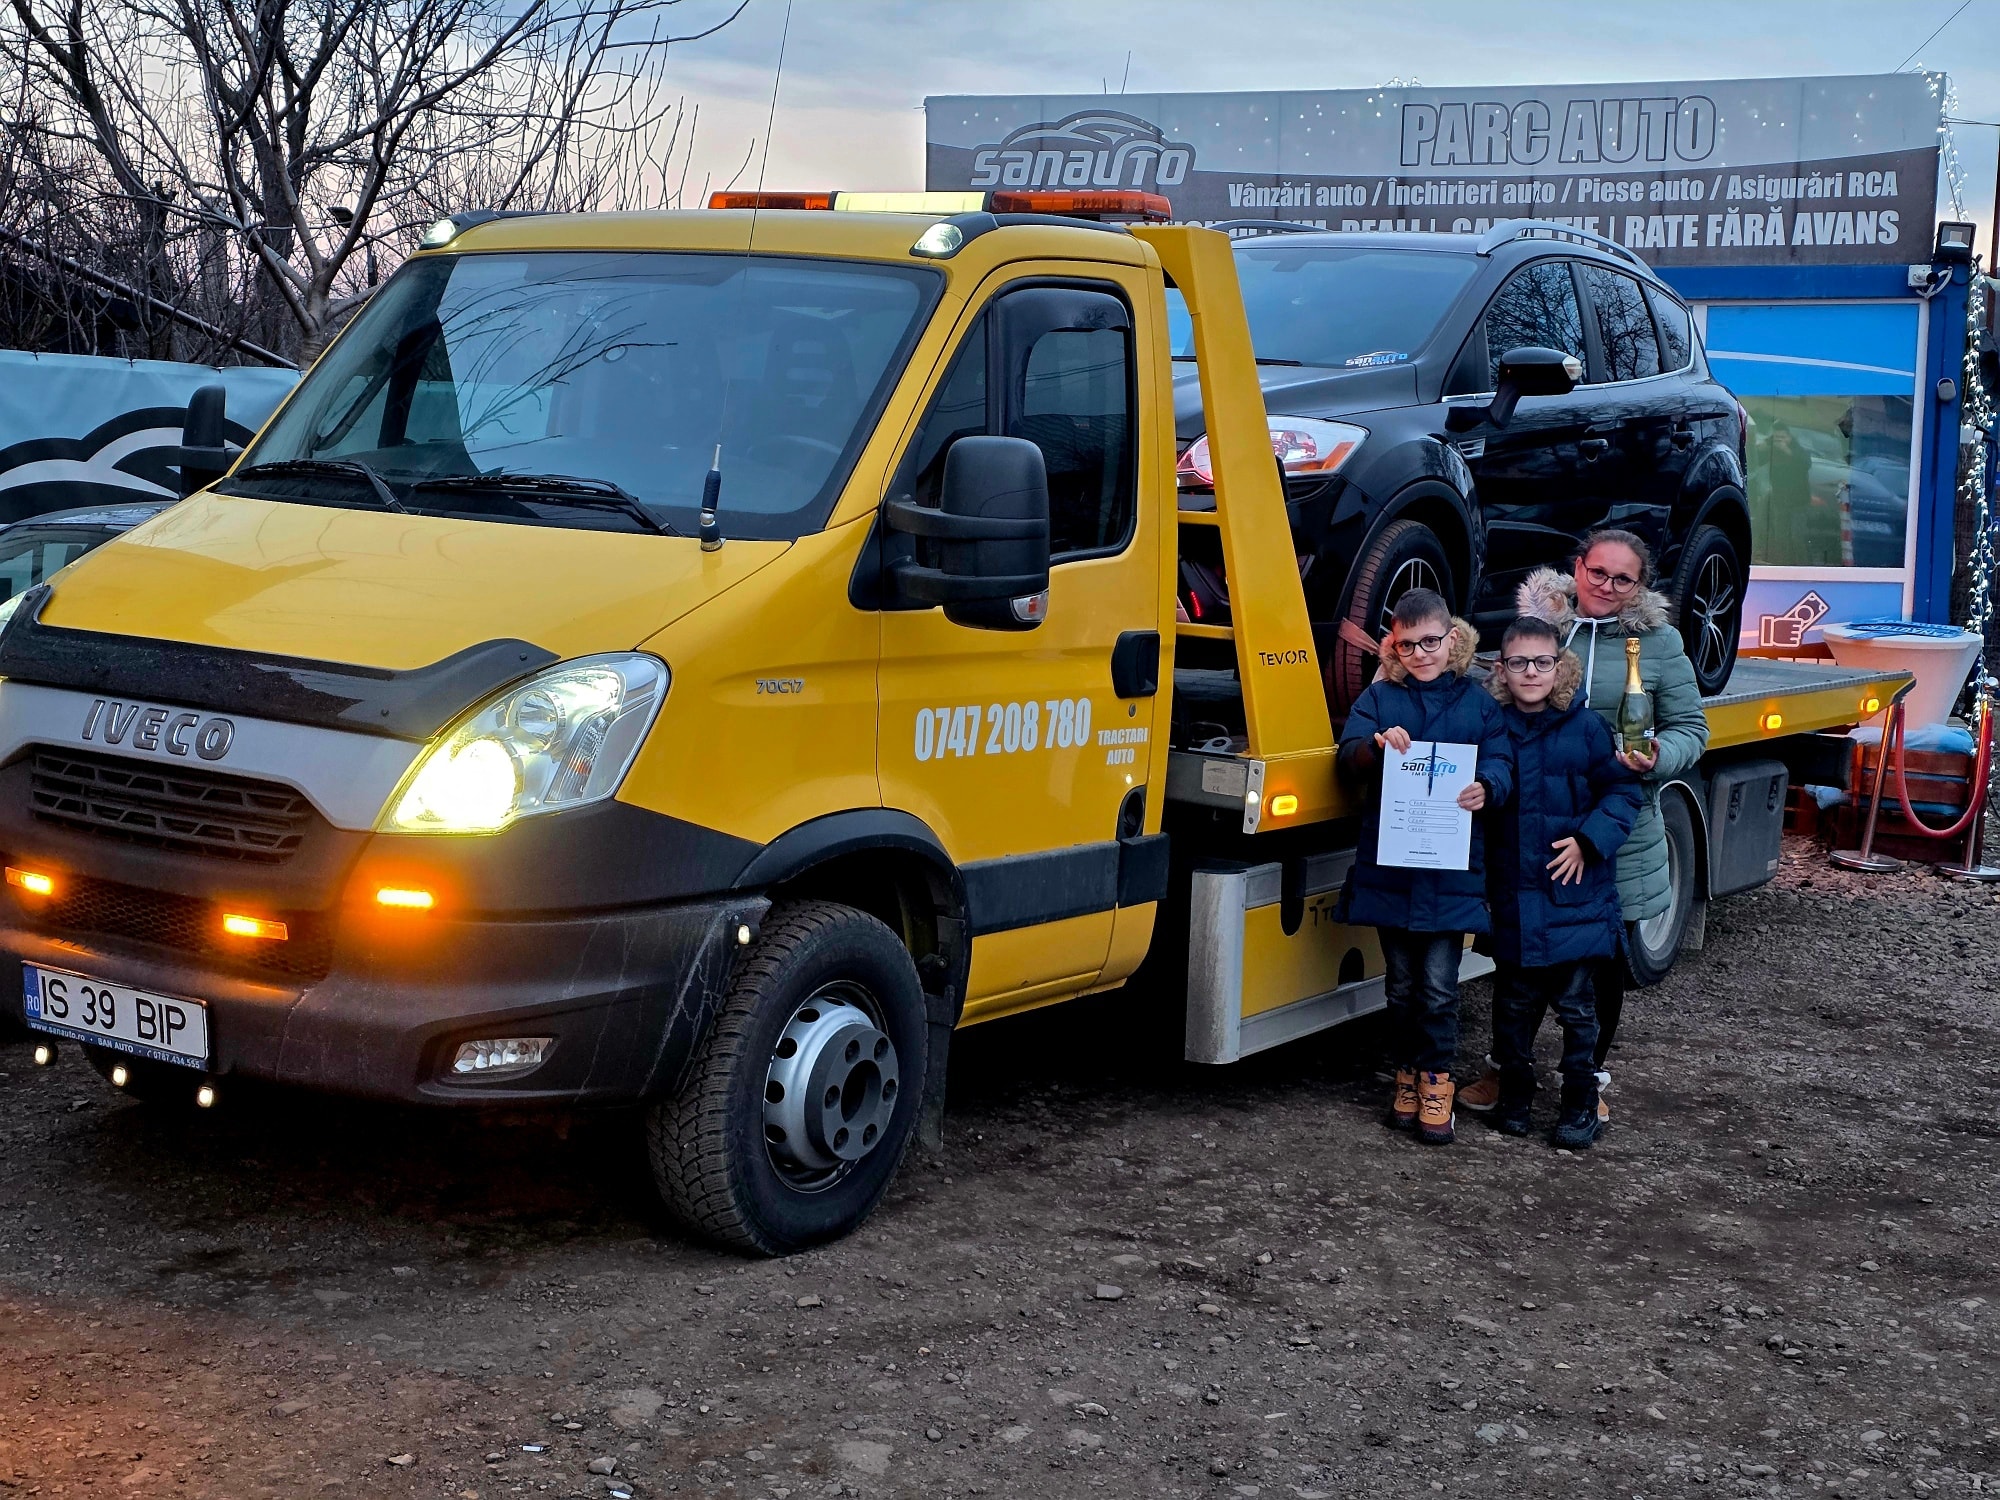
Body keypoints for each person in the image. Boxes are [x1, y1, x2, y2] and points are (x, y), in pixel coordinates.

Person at [1503, 528, 1709, 1121]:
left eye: (1624, 579)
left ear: (1639, 585)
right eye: (1598, 572)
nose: (1608, 586)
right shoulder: (1542, 626)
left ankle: (1588, 1077)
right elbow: (1497, 696)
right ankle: (1507, 1068)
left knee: (1601, 954)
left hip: (1621, 822)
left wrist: (1658, 758)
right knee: (1519, 954)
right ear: (1578, 567)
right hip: (1536, 817)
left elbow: (1692, 729)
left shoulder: (1659, 643)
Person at [1336, 588, 1514, 1146]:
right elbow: (1346, 758)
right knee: (1400, 987)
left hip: (1451, 872)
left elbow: (1503, 760)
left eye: (1430, 642)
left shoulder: (1478, 704)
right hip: (1392, 870)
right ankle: (1407, 1076)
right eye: (1406, 645)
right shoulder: (1380, 698)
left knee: (1438, 988)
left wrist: (1488, 787)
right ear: (1393, 645)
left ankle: (1437, 1081)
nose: (1419, 654)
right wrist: (1374, 747)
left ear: (1452, 639)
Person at [1483, 617, 1643, 1148]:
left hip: (1576, 898)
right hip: (1514, 896)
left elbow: (1622, 793)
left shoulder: (1587, 728)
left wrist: (1588, 842)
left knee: (1577, 1010)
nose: (1531, 672)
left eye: (1542, 662)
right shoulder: (1490, 726)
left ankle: (1580, 1103)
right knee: (1512, 1006)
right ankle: (1515, 1098)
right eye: (1519, 662)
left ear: (1560, 667)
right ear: (1502, 670)